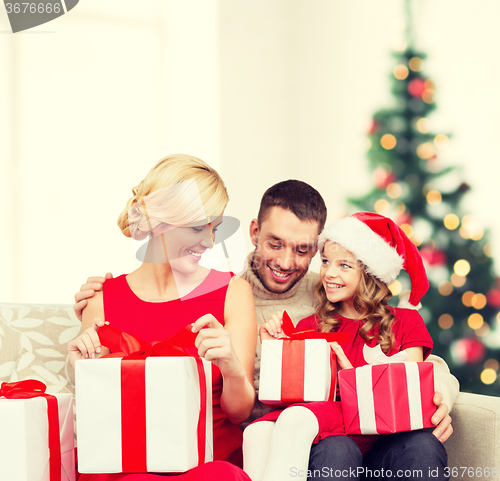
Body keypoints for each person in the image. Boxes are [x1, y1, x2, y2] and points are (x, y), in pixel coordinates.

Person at [73, 181, 457, 480]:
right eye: (275, 244)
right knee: (335, 450)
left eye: (304, 250)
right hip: (285, 445)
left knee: (419, 447)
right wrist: (100, 303)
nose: (288, 262)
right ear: (254, 231)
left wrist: (440, 391)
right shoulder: (220, 295)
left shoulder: (333, 288)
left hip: (360, 428)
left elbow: (403, 341)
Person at [68, 154, 257, 481]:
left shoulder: (233, 292)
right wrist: (79, 367)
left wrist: (230, 365)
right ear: (158, 223)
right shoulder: (101, 299)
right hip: (127, 467)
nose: (210, 241)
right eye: (199, 227)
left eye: (215, 228)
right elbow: (98, 415)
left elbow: (238, 412)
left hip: (207, 465)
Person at [245, 212, 448, 481]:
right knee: (337, 449)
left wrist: (354, 380)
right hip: (333, 446)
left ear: (370, 273)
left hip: (387, 449)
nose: (328, 273)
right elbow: (289, 404)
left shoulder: (406, 322)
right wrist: (278, 353)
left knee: (423, 445)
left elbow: (407, 398)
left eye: (344, 266)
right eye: (326, 262)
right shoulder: (310, 325)